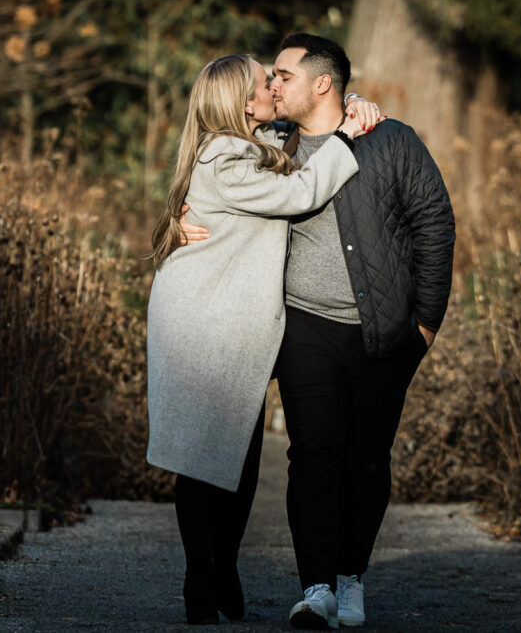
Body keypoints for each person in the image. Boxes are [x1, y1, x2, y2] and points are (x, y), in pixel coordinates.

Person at [181, 33, 455, 629]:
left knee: (366, 461)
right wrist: (184, 221)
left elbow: (435, 224)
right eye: (270, 78)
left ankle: (351, 578)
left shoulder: (391, 141)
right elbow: (211, 186)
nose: (273, 85)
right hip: (303, 328)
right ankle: (316, 588)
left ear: (322, 83)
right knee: (313, 457)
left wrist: (426, 323)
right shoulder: (268, 144)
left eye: (282, 75)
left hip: (384, 332)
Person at [145, 53, 384, 625]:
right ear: (241, 102)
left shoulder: (252, 145)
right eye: (263, 82)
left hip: (237, 322)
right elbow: (298, 194)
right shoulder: (225, 159)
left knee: (241, 458)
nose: (274, 89)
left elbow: (298, 129)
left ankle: (221, 565)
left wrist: (349, 106)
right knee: (204, 457)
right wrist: (347, 140)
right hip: (204, 320)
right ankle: (201, 578)